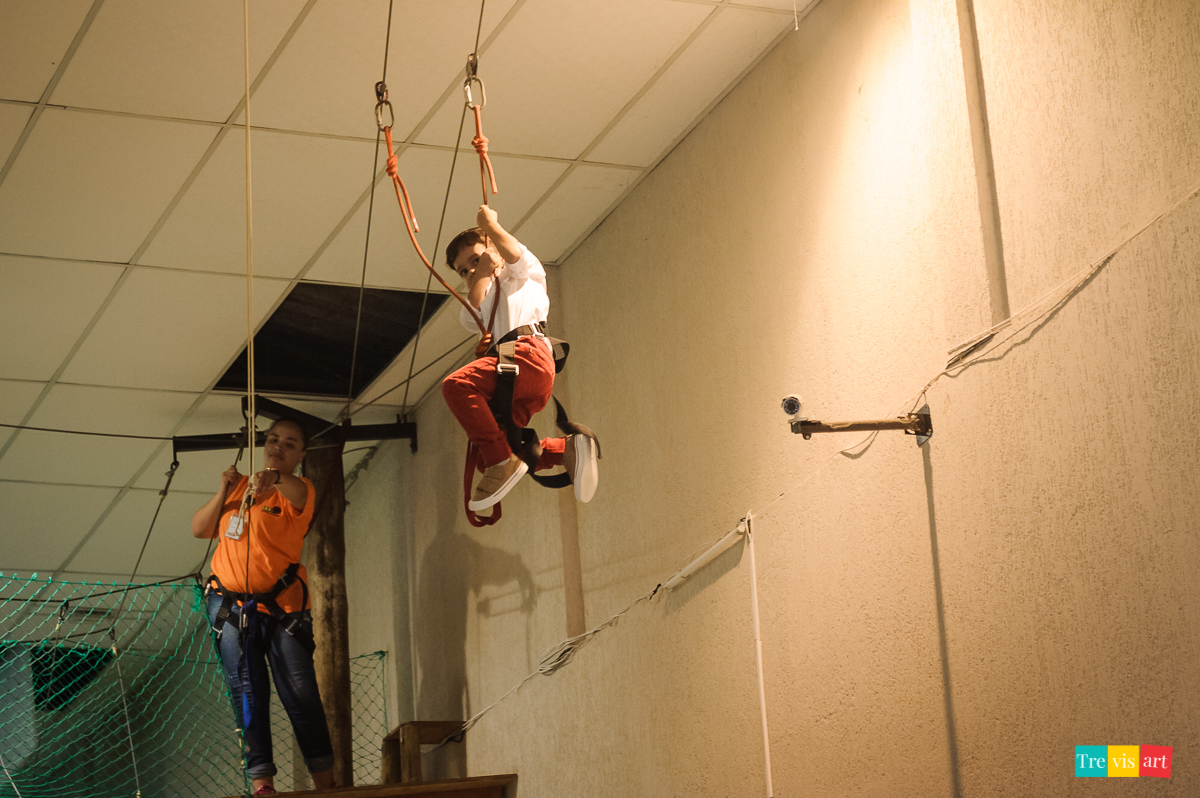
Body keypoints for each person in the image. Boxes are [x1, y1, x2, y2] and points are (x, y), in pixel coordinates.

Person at [191, 418, 336, 795]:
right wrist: (224, 488)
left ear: (300, 455)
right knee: (246, 691)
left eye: (290, 444)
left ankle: (326, 783)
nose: (278, 447)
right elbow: (200, 529)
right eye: (273, 440)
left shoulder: (297, 490)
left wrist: (274, 479)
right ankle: (262, 783)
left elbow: (297, 494)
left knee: (299, 692)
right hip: (229, 605)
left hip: (282, 607)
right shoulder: (240, 487)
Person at [442, 205, 599, 512]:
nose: (471, 270)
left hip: (527, 356)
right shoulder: (478, 302)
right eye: (464, 270)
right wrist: (482, 272)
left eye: (475, 259)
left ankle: (503, 461)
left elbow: (512, 253)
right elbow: (473, 304)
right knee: (496, 448)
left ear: (492, 250)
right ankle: (566, 449)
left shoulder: (520, 273)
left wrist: (492, 227)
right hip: (515, 374)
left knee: (457, 385)